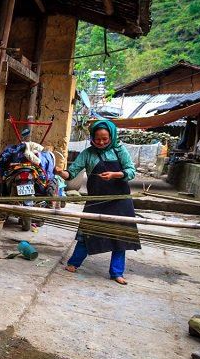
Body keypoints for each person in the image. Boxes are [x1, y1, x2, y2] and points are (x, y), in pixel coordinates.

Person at [55, 119, 140, 285]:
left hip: (119, 201)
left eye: (105, 139)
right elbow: (71, 174)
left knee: (119, 237)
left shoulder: (119, 149)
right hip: (96, 200)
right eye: (97, 139)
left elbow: (131, 171)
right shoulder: (87, 154)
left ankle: (117, 272)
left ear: (112, 137)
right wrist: (60, 172)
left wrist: (115, 175)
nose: (101, 142)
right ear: (92, 137)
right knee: (87, 233)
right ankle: (74, 263)